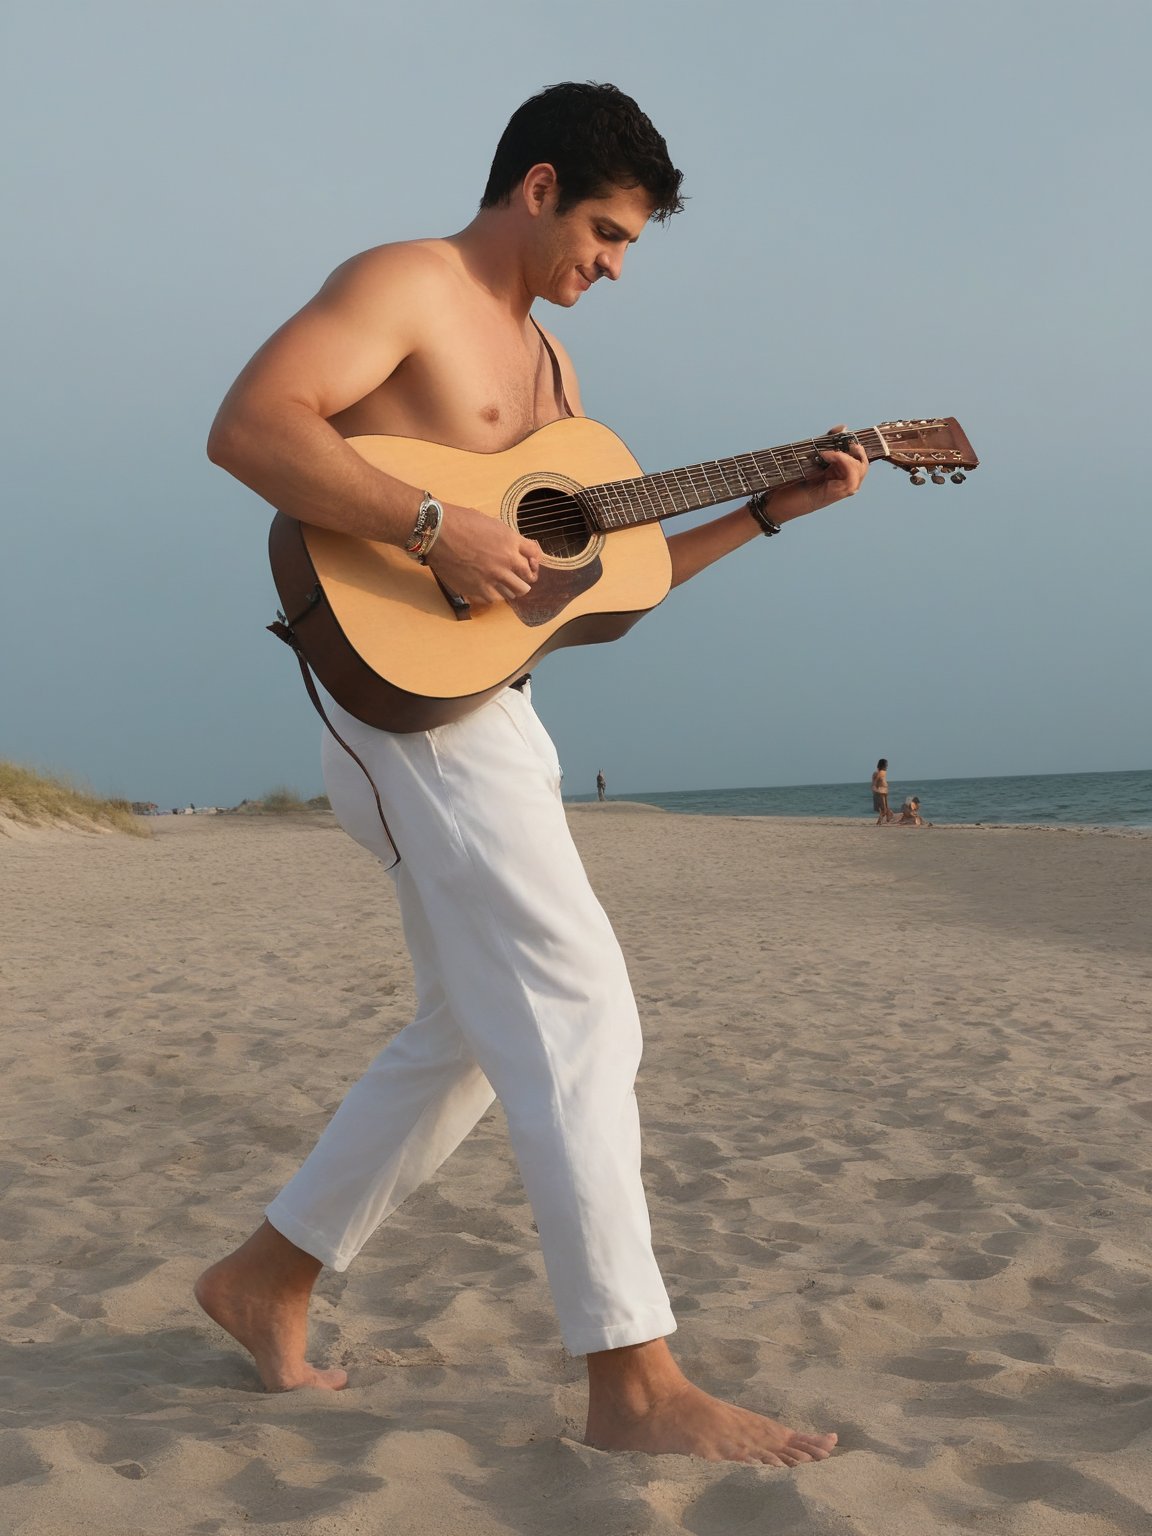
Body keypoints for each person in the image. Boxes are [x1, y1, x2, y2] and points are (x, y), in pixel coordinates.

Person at [197, 81, 869, 1466]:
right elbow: (251, 429)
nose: (614, 268)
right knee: (580, 1009)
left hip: (486, 709)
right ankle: (634, 1382)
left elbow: (596, 586)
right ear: (542, 184)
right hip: (401, 718)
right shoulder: (406, 284)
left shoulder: (555, 382)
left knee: (467, 1034)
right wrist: (436, 522)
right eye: (611, 234)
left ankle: (269, 1277)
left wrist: (760, 514)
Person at [872, 758, 893, 824]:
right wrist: (874, 789)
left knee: (886, 808)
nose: (887, 766)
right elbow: (874, 782)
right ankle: (879, 821)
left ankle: (887, 820)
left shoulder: (883, 772)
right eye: (886, 765)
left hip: (884, 791)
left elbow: (882, 781)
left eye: (887, 765)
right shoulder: (877, 773)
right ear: (882, 765)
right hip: (880, 791)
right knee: (884, 809)